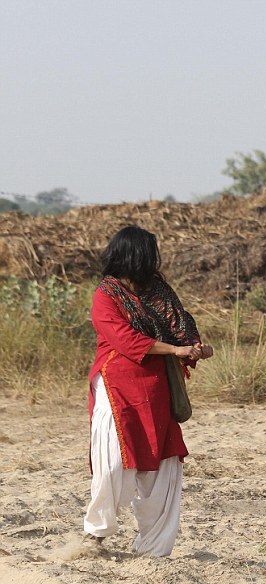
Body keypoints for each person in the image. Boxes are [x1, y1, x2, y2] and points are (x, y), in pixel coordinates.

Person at [83, 225, 213, 556]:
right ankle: (94, 537)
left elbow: (180, 325)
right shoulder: (106, 296)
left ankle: (153, 549)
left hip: (158, 389)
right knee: (114, 461)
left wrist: (194, 347)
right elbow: (125, 340)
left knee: (165, 464)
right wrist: (174, 351)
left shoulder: (159, 291)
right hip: (117, 389)